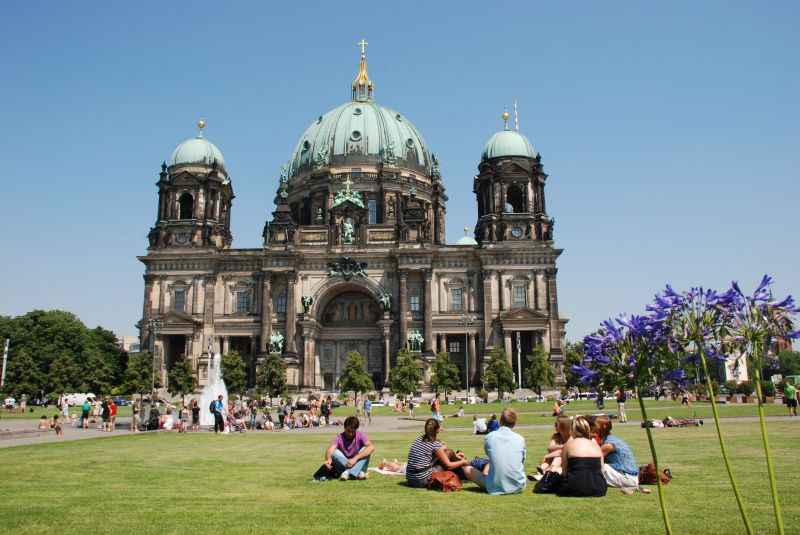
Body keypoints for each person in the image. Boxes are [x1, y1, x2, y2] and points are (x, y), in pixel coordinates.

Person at [465, 408, 527, 495]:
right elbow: (521, 462)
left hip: (494, 486)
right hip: (518, 486)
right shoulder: (520, 439)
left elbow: (491, 458)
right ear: (514, 423)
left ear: (500, 421)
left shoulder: (490, 437)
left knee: (468, 469)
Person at [406, 418, 473, 488]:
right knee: (449, 454)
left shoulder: (418, 439)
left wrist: (455, 455)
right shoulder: (434, 444)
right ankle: (466, 472)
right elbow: (448, 465)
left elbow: (430, 457)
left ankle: (464, 469)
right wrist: (462, 462)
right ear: (437, 429)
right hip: (422, 480)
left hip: (410, 479)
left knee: (449, 453)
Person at [594, 416, 648, 494]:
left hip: (627, 477)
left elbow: (593, 460)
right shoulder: (614, 439)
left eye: (595, 425)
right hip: (631, 477)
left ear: (603, 427)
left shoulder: (608, 445)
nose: (593, 428)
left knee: (594, 468)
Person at [557, 416, 607, 497]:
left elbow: (564, 472)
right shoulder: (596, 446)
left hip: (574, 487)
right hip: (599, 488)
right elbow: (602, 470)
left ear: (572, 430)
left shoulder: (568, 445)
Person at [324, 416, 374, 480]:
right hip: (345, 463)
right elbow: (330, 449)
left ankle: (347, 472)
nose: (350, 434)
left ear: (356, 429)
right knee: (334, 452)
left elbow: (371, 447)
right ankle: (356, 473)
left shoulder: (360, 435)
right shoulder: (339, 437)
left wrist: (355, 459)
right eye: (348, 431)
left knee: (366, 449)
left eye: (353, 432)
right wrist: (328, 459)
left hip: (356, 462)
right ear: (344, 428)